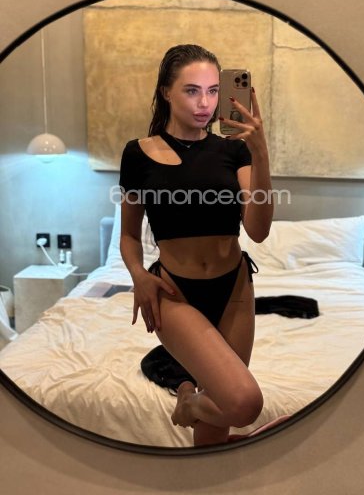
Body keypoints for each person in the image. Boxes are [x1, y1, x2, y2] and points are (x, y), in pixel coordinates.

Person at [119, 44, 274, 446]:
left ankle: (190, 404)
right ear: (166, 91)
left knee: (214, 434)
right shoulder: (138, 154)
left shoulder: (234, 149)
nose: (205, 103)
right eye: (191, 90)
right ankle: (188, 402)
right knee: (243, 403)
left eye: (212, 91)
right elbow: (130, 235)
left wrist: (260, 152)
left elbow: (258, 230)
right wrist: (138, 275)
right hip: (174, 293)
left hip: (234, 287)